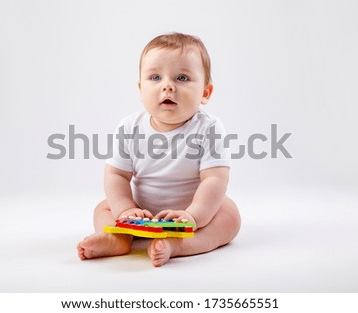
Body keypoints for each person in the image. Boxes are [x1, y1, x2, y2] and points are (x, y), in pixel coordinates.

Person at [77, 32, 241, 267]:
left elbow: (215, 179)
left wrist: (194, 216)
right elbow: (116, 175)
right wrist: (126, 209)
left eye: (182, 78)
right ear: (141, 88)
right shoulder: (129, 127)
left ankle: (180, 244)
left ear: (205, 93)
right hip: (140, 212)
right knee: (104, 207)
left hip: (190, 212)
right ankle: (118, 237)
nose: (167, 86)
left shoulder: (209, 128)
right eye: (155, 77)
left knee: (229, 215)